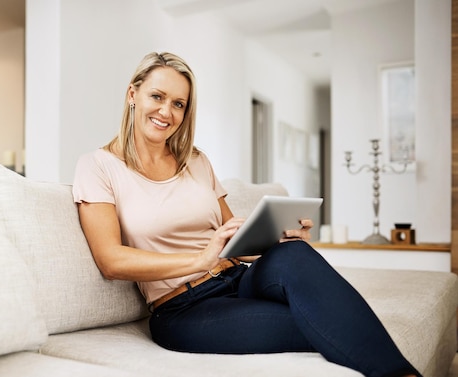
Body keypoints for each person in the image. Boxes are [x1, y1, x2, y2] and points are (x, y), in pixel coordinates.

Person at [72, 51, 421, 377]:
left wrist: (277, 237)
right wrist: (201, 259)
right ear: (133, 94)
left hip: (239, 278)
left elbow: (235, 240)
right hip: (184, 308)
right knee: (323, 318)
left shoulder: (196, 160)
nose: (167, 112)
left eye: (179, 104)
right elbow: (111, 261)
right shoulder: (98, 166)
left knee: (293, 253)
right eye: (157, 97)